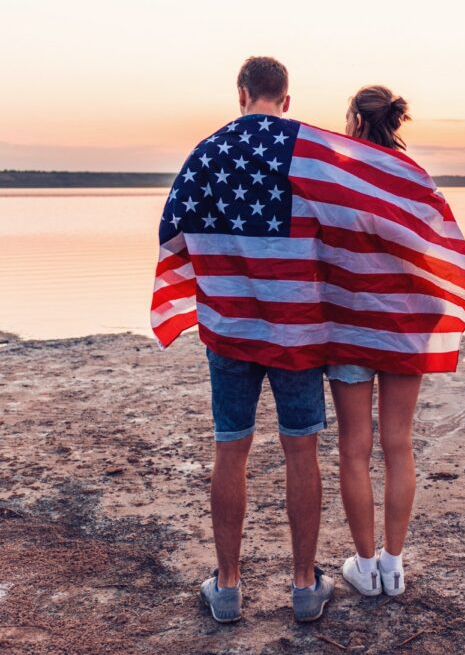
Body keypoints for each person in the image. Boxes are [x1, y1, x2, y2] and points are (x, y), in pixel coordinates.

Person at [195, 57, 334, 623]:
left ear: (242, 92)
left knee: (232, 446)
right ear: (286, 98)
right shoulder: (311, 152)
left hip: (230, 325)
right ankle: (305, 587)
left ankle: (227, 587)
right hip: (297, 328)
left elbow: (179, 226)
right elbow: (339, 227)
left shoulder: (207, 152)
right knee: (301, 448)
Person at [328, 86, 420, 597]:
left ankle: (365, 568)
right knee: (399, 445)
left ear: (354, 121)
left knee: (355, 449)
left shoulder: (338, 180)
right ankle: (394, 564)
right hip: (404, 328)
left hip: (351, 330)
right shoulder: (415, 179)